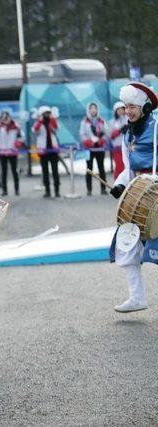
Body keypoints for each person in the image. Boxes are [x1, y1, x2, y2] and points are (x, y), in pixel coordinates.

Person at [109, 82, 158, 313]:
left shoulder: (157, 127)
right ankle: (137, 298)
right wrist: (120, 185)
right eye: (126, 106)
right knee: (127, 245)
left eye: (133, 106)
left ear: (145, 107)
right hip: (137, 194)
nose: (128, 111)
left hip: (155, 193)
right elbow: (127, 169)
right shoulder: (127, 133)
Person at [80, 102, 109, 195]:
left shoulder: (101, 121)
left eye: (95, 108)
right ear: (88, 110)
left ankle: (103, 189)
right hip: (89, 150)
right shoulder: (84, 121)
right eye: (91, 108)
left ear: (97, 110)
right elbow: (82, 134)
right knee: (89, 169)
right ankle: (89, 190)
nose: (93, 110)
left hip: (100, 149)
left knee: (101, 169)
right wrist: (88, 141)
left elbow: (107, 133)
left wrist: (102, 140)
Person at [32, 106, 61, 198]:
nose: (47, 114)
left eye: (48, 112)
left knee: (55, 170)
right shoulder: (39, 122)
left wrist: (53, 122)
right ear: (41, 114)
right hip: (43, 150)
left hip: (53, 149)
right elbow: (34, 131)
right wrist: (40, 122)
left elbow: (57, 129)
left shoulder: (53, 120)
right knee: (45, 171)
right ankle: (47, 191)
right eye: (45, 113)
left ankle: (57, 191)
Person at [0, 110, 22, 196]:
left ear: (9, 117)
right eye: (3, 117)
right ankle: (4, 190)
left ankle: (17, 190)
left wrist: (17, 143)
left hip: (13, 152)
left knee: (14, 171)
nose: (5, 119)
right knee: (4, 172)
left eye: (6, 117)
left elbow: (21, 137)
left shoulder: (16, 126)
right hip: (2, 152)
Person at [108, 101, 128, 179]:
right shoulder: (112, 122)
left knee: (128, 167)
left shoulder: (129, 120)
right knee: (119, 167)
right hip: (118, 148)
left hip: (128, 147)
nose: (120, 111)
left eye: (122, 109)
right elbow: (110, 135)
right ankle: (118, 184)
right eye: (118, 109)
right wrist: (119, 130)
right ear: (115, 111)